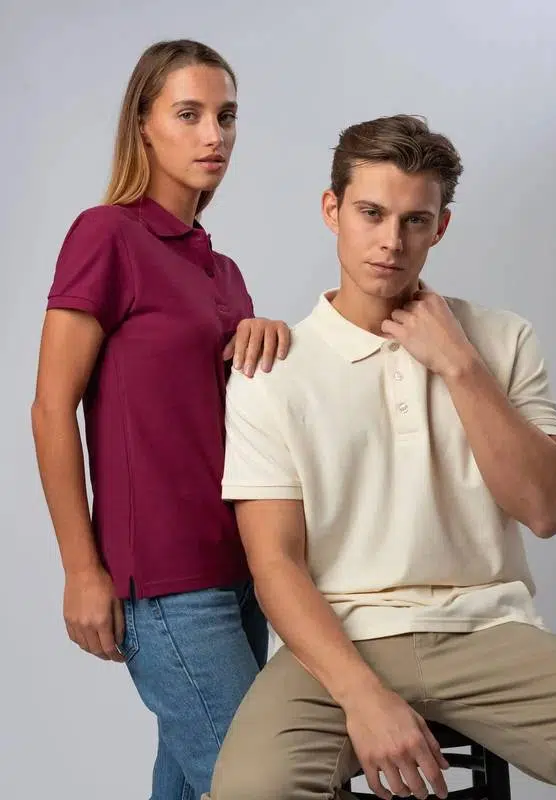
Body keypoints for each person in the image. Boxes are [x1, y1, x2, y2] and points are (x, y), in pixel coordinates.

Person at [203, 114, 556, 800]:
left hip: (488, 632)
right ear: (332, 211)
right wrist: (364, 696)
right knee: (250, 792)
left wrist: (460, 366)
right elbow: (275, 564)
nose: (392, 241)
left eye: (415, 220)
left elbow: (546, 509)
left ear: (440, 227)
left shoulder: (502, 339)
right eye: (371, 213)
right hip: (336, 642)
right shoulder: (272, 369)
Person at [31, 39, 290, 799]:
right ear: (143, 125)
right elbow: (51, 408)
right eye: (189, 114)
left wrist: (267, 337)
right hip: (167, 581)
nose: (215, 135)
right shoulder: (106, 234)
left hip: (243, 570)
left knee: (196, 784)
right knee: (260, 785)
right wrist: (82, 569)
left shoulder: (224, 271)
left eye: (226, 117)